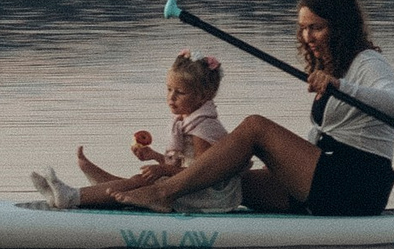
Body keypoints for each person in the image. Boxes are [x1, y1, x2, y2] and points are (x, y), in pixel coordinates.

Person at [123, 0, 394, 217]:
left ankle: (163, 193)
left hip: (357, 186)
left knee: (256, 127)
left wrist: (341, 86)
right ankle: (123, 197)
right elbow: (328, 135)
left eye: (316, 27)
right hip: (327, 178)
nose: (307, 37)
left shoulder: (368, 62)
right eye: (303, 28)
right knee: (227, 185)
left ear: (341, 26)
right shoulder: (331, 67)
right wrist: (281, 163)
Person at [34, 51, 243, 211]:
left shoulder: (203, 127)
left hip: (211, 196)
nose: (171, 97)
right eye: (169, 89)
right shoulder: (187, 120)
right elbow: (186, 166)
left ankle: (73, 197)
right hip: (195, 185)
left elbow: (203, 175)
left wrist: (163, 170)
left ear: (202, 96)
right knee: (141, 180)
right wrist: (155, 157)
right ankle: (90, 188)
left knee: (141, 182)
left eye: (180, 92)